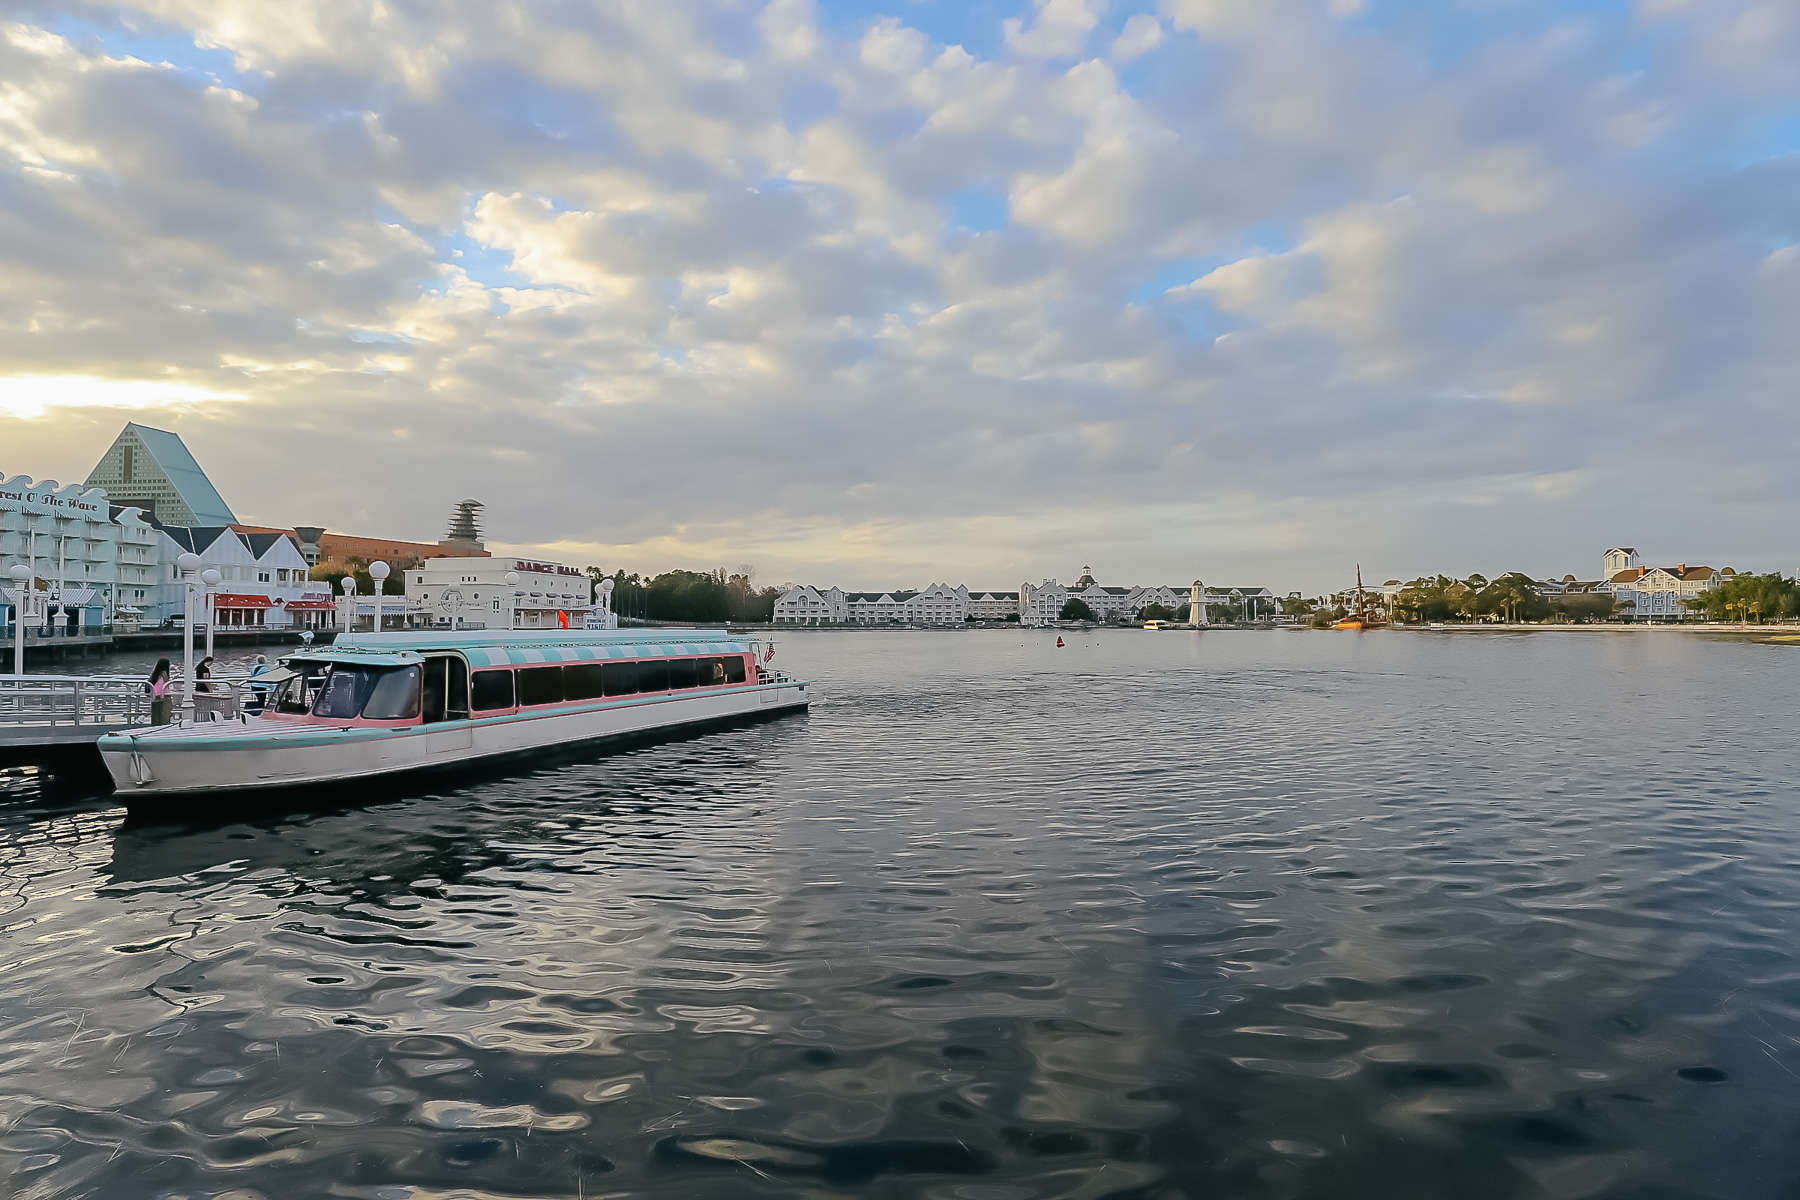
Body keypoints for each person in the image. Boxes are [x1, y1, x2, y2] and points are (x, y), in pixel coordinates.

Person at [146, 658, 173, 726]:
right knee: (166, 712)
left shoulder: (155, 674)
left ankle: (156, 725)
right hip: (164, 695)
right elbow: (166, 681)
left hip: (156, 695)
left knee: (156, 713)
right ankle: (164, 725)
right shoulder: (164, 672)